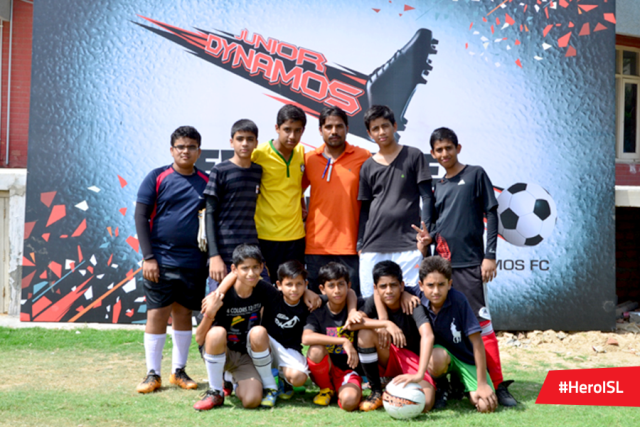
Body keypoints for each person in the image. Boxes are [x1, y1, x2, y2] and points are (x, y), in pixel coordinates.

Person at [414, 127, 516, 407]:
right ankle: (446, 384)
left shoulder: (475, 174)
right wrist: (426, 244)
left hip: (471, 264)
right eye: (439, 150)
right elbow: (434, 228)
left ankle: (497, 385)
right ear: (433, 154)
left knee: (481, 327)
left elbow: (491, 214)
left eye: (448, 148)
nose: (444, 153)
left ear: (458, 148)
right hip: (442, 268)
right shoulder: (437, 186)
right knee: (441, 328)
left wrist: (490, 255)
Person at [193, 245, 320, 410]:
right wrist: (210, 313)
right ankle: (215, 391)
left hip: (245, 356)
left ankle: (234, 380)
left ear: (261, 267)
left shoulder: (263, 289)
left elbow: (289, 293)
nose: (251, 273)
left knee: (252, 400)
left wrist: (307, 292)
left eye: (255, 267)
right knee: (217, 332)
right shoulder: (220, 296)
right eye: (245, 268)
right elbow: (199, 339)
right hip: (221, 351)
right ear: (234, 269)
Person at [134, 125, 209, 393]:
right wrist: (148, 257)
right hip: (160, 260)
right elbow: (140, 216)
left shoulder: (206, 181)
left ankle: (178, 371)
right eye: (181, 147)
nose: (185, 151)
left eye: (191, 147)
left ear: (199, 151)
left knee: (184, 313)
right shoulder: (157, 177)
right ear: (171, 150)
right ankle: (152, 374)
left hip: (193, 261)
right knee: (157, 314)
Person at [357, 105, 433, 297]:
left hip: (408, 245)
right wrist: (360, 244)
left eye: (385, 126)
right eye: (375, 129)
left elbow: (427, 197)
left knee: (411, 300)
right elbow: (365, 208)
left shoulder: (413, 155)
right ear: (369, 134)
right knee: (371, 300)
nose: (381, 132)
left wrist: (426, 233)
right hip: (373, 245)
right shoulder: (367, 166)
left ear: (395, 126)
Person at [302, 262, 388, 412]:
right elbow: (306, 338)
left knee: (349, 402)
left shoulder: (358, 305)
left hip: (348, 372)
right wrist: (343, 341)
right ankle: (326, 389)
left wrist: (382, 322)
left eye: (341, 284)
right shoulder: (317, 310)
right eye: (331, 286)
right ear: (322, 289)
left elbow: (377, 296)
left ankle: (344, 390)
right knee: (315, 350)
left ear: (348, 285)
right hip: (326, 369)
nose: (337, 290)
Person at [303, 106, 371, 295]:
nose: (334, 131)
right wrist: (301, 209)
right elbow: (294, 191)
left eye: (339, 126)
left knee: (351, 301)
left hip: (351, 248)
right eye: (328, 127)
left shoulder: (363, 156)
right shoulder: (309, 159)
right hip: (316, 246)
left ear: (347, 128)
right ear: (320, 130)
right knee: (317, 303)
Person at [417, 256, 497, 413]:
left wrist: (482, 383)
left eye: (441, 284)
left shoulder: (459, 300)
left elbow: (477, 342)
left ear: (449, 284)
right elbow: (390, 289)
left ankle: (460, 384)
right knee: (436, 357)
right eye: (430, 285)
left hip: (465, 359)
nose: (436, 291)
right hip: (441, 357)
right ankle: (441, 386)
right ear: (421, 285)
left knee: (485, 406)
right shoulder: (416, 298)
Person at [357, 260, 436, 413]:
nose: (388, 291)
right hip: (390, 355)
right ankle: (376, 390)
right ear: (375, 288)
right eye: (383, 286)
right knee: (364, 334)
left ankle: (391, 383)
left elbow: (428, 335)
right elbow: (352, 325)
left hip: (413, 360)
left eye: (393, 285)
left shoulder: (412, 303)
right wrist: (385, 324)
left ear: (401, 286)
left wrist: (419, 374)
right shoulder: (374, 301)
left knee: (425, 404)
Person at [204, 119, 267, 286]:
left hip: (252, 253)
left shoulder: (258, 171)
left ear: (256, 143)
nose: (245, 143)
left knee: (262, 299)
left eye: (250, 139)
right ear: (231, 142)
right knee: (218, 300)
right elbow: (209, 214)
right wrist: (214, 256)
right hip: (224, 255)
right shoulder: (220, 171)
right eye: (240, 139)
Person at [251, 105, 307, 283]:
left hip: (296, 237)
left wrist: (302, 205)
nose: (292, 136)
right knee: (268, 290)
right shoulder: (258, 154)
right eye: (287, 130)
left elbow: (297, 186)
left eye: (297, 130)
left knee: (293, 289)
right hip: (266, 236)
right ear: (277, 128)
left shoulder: (301, 152)